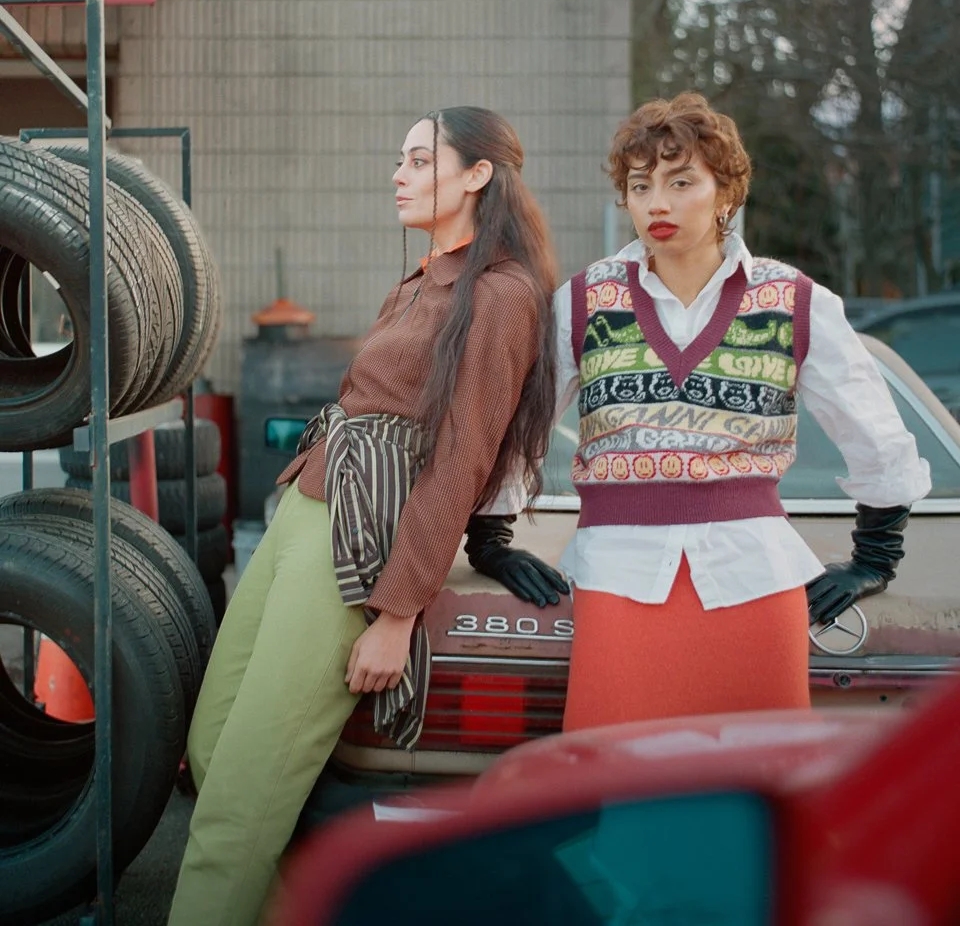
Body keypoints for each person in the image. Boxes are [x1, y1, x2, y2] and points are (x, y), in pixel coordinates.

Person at [168, 106, 567, 926]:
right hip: (304, 513)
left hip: (354, 546)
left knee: (239, 802)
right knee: (211, 750)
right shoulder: (425, 277)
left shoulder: (501, 294)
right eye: (402, 160)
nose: (398, 174)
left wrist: (396, 613)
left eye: (419, 161)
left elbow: (463, 458)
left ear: (477, 175)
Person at [554, 92, 930, 731]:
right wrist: (493, 536)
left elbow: (875, 432)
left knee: (750, 796)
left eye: (681, 182)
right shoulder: (583, 300)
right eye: (640, 186)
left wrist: (875, 557)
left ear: (726, 193)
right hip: (615, 580)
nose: (657, 204)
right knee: (617, 785)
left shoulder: (795, 300)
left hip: (756, 586)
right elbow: (519, 428)